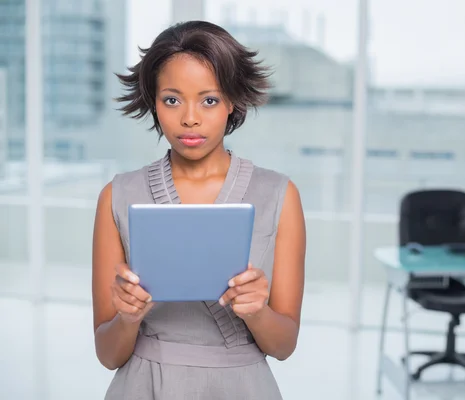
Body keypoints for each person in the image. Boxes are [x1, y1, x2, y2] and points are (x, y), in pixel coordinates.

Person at [91, 20, 306, 399]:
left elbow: (284, 346)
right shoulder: (118, 195)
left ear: (232, 101)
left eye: (209, 99)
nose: (190, 117)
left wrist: (256, 311)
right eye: (172, 99)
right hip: (145, 386)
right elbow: (108, 355)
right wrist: (128, 318)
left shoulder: (279, 195)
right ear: (153, 103)